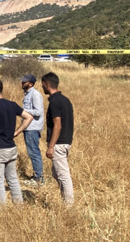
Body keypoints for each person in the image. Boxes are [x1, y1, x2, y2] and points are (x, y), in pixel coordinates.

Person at [0, 79, 34, 204]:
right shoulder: (12, 105)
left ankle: (2, 212)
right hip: (11, 147)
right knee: (13, 179)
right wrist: (17, 132)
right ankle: (19, 206)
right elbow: (29, 117)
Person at [42, 72, 74, 205]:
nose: (42, 87)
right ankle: (66, 200)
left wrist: (51, 146)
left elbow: (58, 125)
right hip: (65, 141)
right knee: (57, 173)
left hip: (58, 144)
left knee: (63, 175)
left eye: (43, 85)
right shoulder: (65, 100)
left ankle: (69, 206)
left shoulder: (55, 102)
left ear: (47, 84)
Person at [20, 74, 45, 186]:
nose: (22, 83)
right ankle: (37, 176)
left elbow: (38, 112)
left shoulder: (35, 94)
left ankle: (38, 178)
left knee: (34, 152)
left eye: (24, 82)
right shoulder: (28, 94)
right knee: (32, 152)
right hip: (29, 127)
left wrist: (23, 111)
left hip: (32, 128)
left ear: (31, 83)